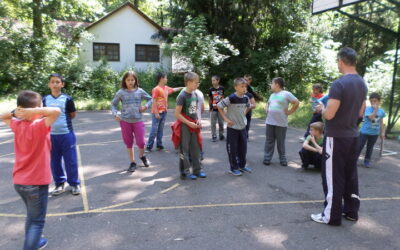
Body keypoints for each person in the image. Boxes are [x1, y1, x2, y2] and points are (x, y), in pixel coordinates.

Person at [311, 47, 367, 225]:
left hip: (336, 137)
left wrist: (322, 109)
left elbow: (329, 115)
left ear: (341, 61)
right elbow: (361, 112)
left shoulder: (339, 84)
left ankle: (331, 215)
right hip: (353, 135)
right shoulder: (362, 83)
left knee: (333, 176)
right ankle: (351, 211)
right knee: (350, 174)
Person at [1, 90, 60, 250]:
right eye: (39, 107)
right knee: (37, 222)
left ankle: (37, 242)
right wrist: (32, 111)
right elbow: (56, 111)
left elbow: (3, 116)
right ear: (34, 110)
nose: (41, 109)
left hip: (20, 183)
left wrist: (17, 112)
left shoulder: (17, 124)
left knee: (32, 217)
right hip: (36, 184)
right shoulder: (40, 125)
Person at [43, 73, 81, 196]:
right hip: (51, 135)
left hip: (66, 134)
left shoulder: (67, 99)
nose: (55, 84)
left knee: (71, 160)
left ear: (62, 84)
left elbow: (72, 115)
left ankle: (74, 183)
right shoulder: (45, 99)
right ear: (49, 84)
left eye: (57, 82)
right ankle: (59, 183)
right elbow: (43, 115)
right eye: (52, 82)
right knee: (54, 161)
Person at [111, 71, 152, 172]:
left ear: (135, 80)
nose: (130, 82)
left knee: (141, 142)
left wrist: (145, 106)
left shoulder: (140, 91)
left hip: (138, 120)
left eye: (132, 80)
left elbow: (151, 99)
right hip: (125, 121)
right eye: (128, 80)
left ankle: (142, 156)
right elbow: (113, 104)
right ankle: (132, 162)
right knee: (129, 143)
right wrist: (115, 114)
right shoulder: (121, 92)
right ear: (125, 81)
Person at [172, 72, 206, 180]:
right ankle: (185, 171)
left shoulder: (195, 94)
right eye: (196, 82)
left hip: (194, 125)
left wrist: (198, 121)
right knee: (184, 150)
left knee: (196, 149)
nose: (198, 84)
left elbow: (195, 110)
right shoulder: (182, 96)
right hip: (184, 126)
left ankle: (197, 170)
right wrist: (188, 123)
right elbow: (177, 114)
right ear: (189, 83)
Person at [217, 77, 253, 176]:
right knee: (232, 149)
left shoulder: (246, 98)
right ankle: (233, 168)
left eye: (245, 86)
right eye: (242, 86)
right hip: (232, 128)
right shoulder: (231, 98)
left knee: (243, 148)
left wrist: (243, 116)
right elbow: (219, 106)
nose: (244, 88)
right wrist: (226, 119)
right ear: (236, 87)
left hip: (242, 127)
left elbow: (248, 107)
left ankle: (242, 166)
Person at [263, 77, 299, 166]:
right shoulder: (272, 95)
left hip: (281, 123)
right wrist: (267, 108)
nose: (271, 85)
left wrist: (290, 111)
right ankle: (267, 158)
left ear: (277, 84)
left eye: (272, 83)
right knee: (269, 141)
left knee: (280, 142)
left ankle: (282, 159)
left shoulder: (286, 94)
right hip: (270, 122)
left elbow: (296, 102)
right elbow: (268, 103)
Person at [145, 72, 183, 152]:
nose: (167, 79)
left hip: (164, 112)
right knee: (154, 129)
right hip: (157, 112)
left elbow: (173, 89)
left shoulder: (166, 88)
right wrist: (156, 113)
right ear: (161, 78)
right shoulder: (156, 89)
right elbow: (154, 101)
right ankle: (149, 146)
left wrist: (183, 88)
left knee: (160, 129)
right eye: (166, 77)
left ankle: (159, 145)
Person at [357, 92, 385, 168]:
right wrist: (375, 110)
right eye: (371, 101)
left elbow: (381, 122)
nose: (373, 103)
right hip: (364, 132)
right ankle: (354, 159)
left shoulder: (382, 111)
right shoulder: (368, 109)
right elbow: (371, 117)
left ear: (379, 101)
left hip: (374, 133)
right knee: (360, 146)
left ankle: (367, 161)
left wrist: (382, 132)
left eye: (375, 101)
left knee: (370, 147)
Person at [208, 75, 225, 142]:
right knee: (213, 123)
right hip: (213, 108)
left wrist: (223, 105)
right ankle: (214, 135)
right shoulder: (211, 89)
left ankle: (221, 134)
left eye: (214, 80)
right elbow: (209, 98)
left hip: (220, 108)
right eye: (212, 80)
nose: (212, 82)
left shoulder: (222, 88)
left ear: (218, 81)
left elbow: (223, 97)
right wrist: (210, 107)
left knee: (221, 122)